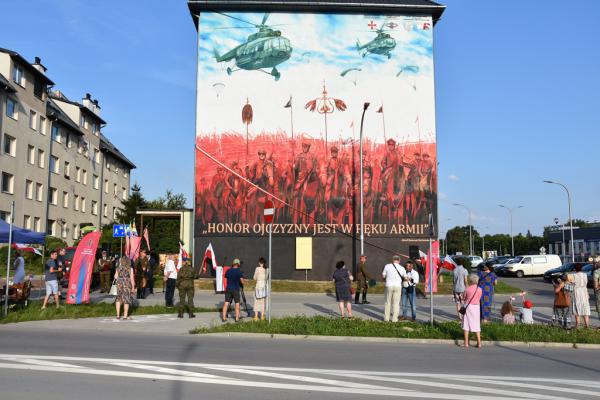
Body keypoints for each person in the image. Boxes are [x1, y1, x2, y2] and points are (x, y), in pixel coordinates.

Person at [462, 274, 483, 348]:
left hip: (468, 307)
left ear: (470, 281)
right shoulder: (480, 289)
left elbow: (464, 298)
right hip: (476, 307)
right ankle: (479, 343)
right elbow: (479, 298)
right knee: (476, 324)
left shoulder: (467, 289)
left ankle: (466, 343)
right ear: (477, 281)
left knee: (466, 324)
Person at [382, 255, 405, 322]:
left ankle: (386, 319)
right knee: (396, 303)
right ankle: (395, 319)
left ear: (392, 260)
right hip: (398, 286)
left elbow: (383, 275)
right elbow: (405, 277)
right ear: (399, 261)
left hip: (389, 285)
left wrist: (385, 278)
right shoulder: (402, 268)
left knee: (387, 302)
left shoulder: (387, 266)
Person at [573, 263, 590, 328]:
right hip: (584, 292)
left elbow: (571, 283)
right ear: (581, 268)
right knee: (585, 309)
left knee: (577, 309)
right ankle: (587, 325)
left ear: (575, 269)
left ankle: (577, 325)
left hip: (577, 292)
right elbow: (586, 283)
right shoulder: (585, 275)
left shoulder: (573, 275)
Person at [593, 261, 600, 329]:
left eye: (596, 263)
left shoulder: (596, 271)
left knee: (599, 307)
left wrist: (596, 289)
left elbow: (595, 283)